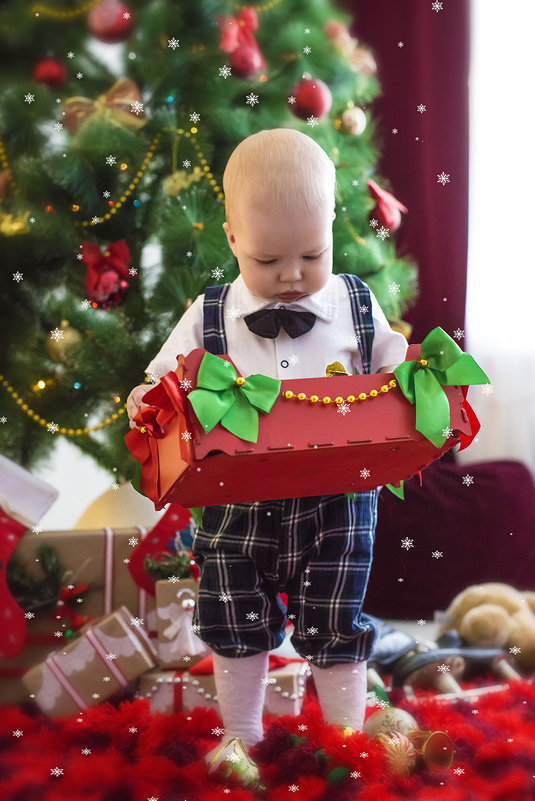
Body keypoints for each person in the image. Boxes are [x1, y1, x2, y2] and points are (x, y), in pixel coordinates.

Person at [127, 128, 408, 788]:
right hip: (234, 498)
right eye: (267, 258)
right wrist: (147, 398)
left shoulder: (354, 305)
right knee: (233, 615)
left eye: (311, 254)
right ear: (231, 239)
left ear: (331, 232)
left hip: (338, 496)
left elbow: (395, 361)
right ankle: (242, 734)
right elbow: (160, 378)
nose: (289, 275)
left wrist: (421, 376)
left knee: (335, 615)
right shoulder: (210, 312)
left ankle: (343, 733)